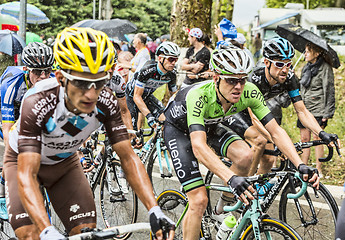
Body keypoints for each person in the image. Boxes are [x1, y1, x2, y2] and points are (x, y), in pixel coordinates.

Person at [3, 27, 175, 240]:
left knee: (86, 232)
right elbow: (27, 174)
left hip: (65, 164)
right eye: (82, 83)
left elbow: (128, 158)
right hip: (23, 163)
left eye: (100, 82)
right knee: (32, 234)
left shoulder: (106, 102)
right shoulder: (37, 102)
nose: (91, 94)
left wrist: (154, 209)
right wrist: (47, 230)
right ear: (60, 78)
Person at [163, 45, 320, 240]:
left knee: (246, 155)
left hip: (211, 124)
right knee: (199, 200)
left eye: (242, 80)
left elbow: (275, 131)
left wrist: (300, 164)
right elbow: (198, 145)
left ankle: (224, 207)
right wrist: (230, 177)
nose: (238, 86)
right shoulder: (199, 95)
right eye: (231, 80)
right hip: (179, 131)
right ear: (215, 78)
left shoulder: (249, 92)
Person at [222, 37, 339, 178]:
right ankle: (245, 186)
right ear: (267, 63)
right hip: (235, 111)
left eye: (288, 64)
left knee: (270, 159)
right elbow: (254, 118)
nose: (284, 70)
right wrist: (278, 142)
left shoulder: (289, 78)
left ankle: (258, 194)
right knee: (260, 141)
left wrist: (321, 133)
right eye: (279, 64)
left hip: (257, 111)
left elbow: (302, 111)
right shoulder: (255, 78)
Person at [0, 42, 55, 145]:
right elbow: (7, 128)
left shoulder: (53, 80)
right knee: (14, 141)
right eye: (37, 72)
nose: (43, 76)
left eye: (47, 71)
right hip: (7, 105)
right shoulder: (11, 83)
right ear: (26, 70)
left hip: (29, 105)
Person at [298, 42, 336, 177]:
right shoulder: (306, 68)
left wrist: (327, 113)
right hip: (304, 108)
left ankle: (318, 169)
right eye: (305, 51)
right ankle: (304, 167)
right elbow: (301, 86)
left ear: (317, 53)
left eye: (308, 51)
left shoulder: (325, 68)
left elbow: (329, 90)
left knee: (317, 137)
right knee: (304, 138)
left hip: (319, 108)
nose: (305, 54)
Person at [125, 41, 180, 130]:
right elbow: (136, 96)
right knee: (134, 133)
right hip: (131, 97)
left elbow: (174, 96)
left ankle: (156, 142)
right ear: (160, 58)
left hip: (146, 97)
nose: (173, 63)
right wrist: (149, 116)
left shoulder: (171, 74)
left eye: (176, 60)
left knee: (165, 121)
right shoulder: (148, 70)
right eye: (171, 59)